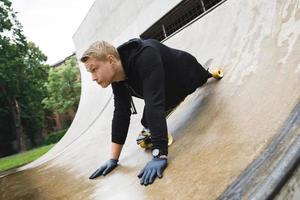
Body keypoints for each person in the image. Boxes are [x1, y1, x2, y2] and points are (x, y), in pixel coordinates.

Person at [80, 38, 220, 186]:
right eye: (90, 72)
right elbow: (121, 113)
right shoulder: (117, 78)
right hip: (164, 90)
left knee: (159, 104)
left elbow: (154, 104)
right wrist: (113, 159)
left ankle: (206, 74)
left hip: (186, 75)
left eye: (94, 69)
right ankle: (150, 126)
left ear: (110, 60)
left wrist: (159, 154)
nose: (93, 78)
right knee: (148, 118)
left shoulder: (145, 55)